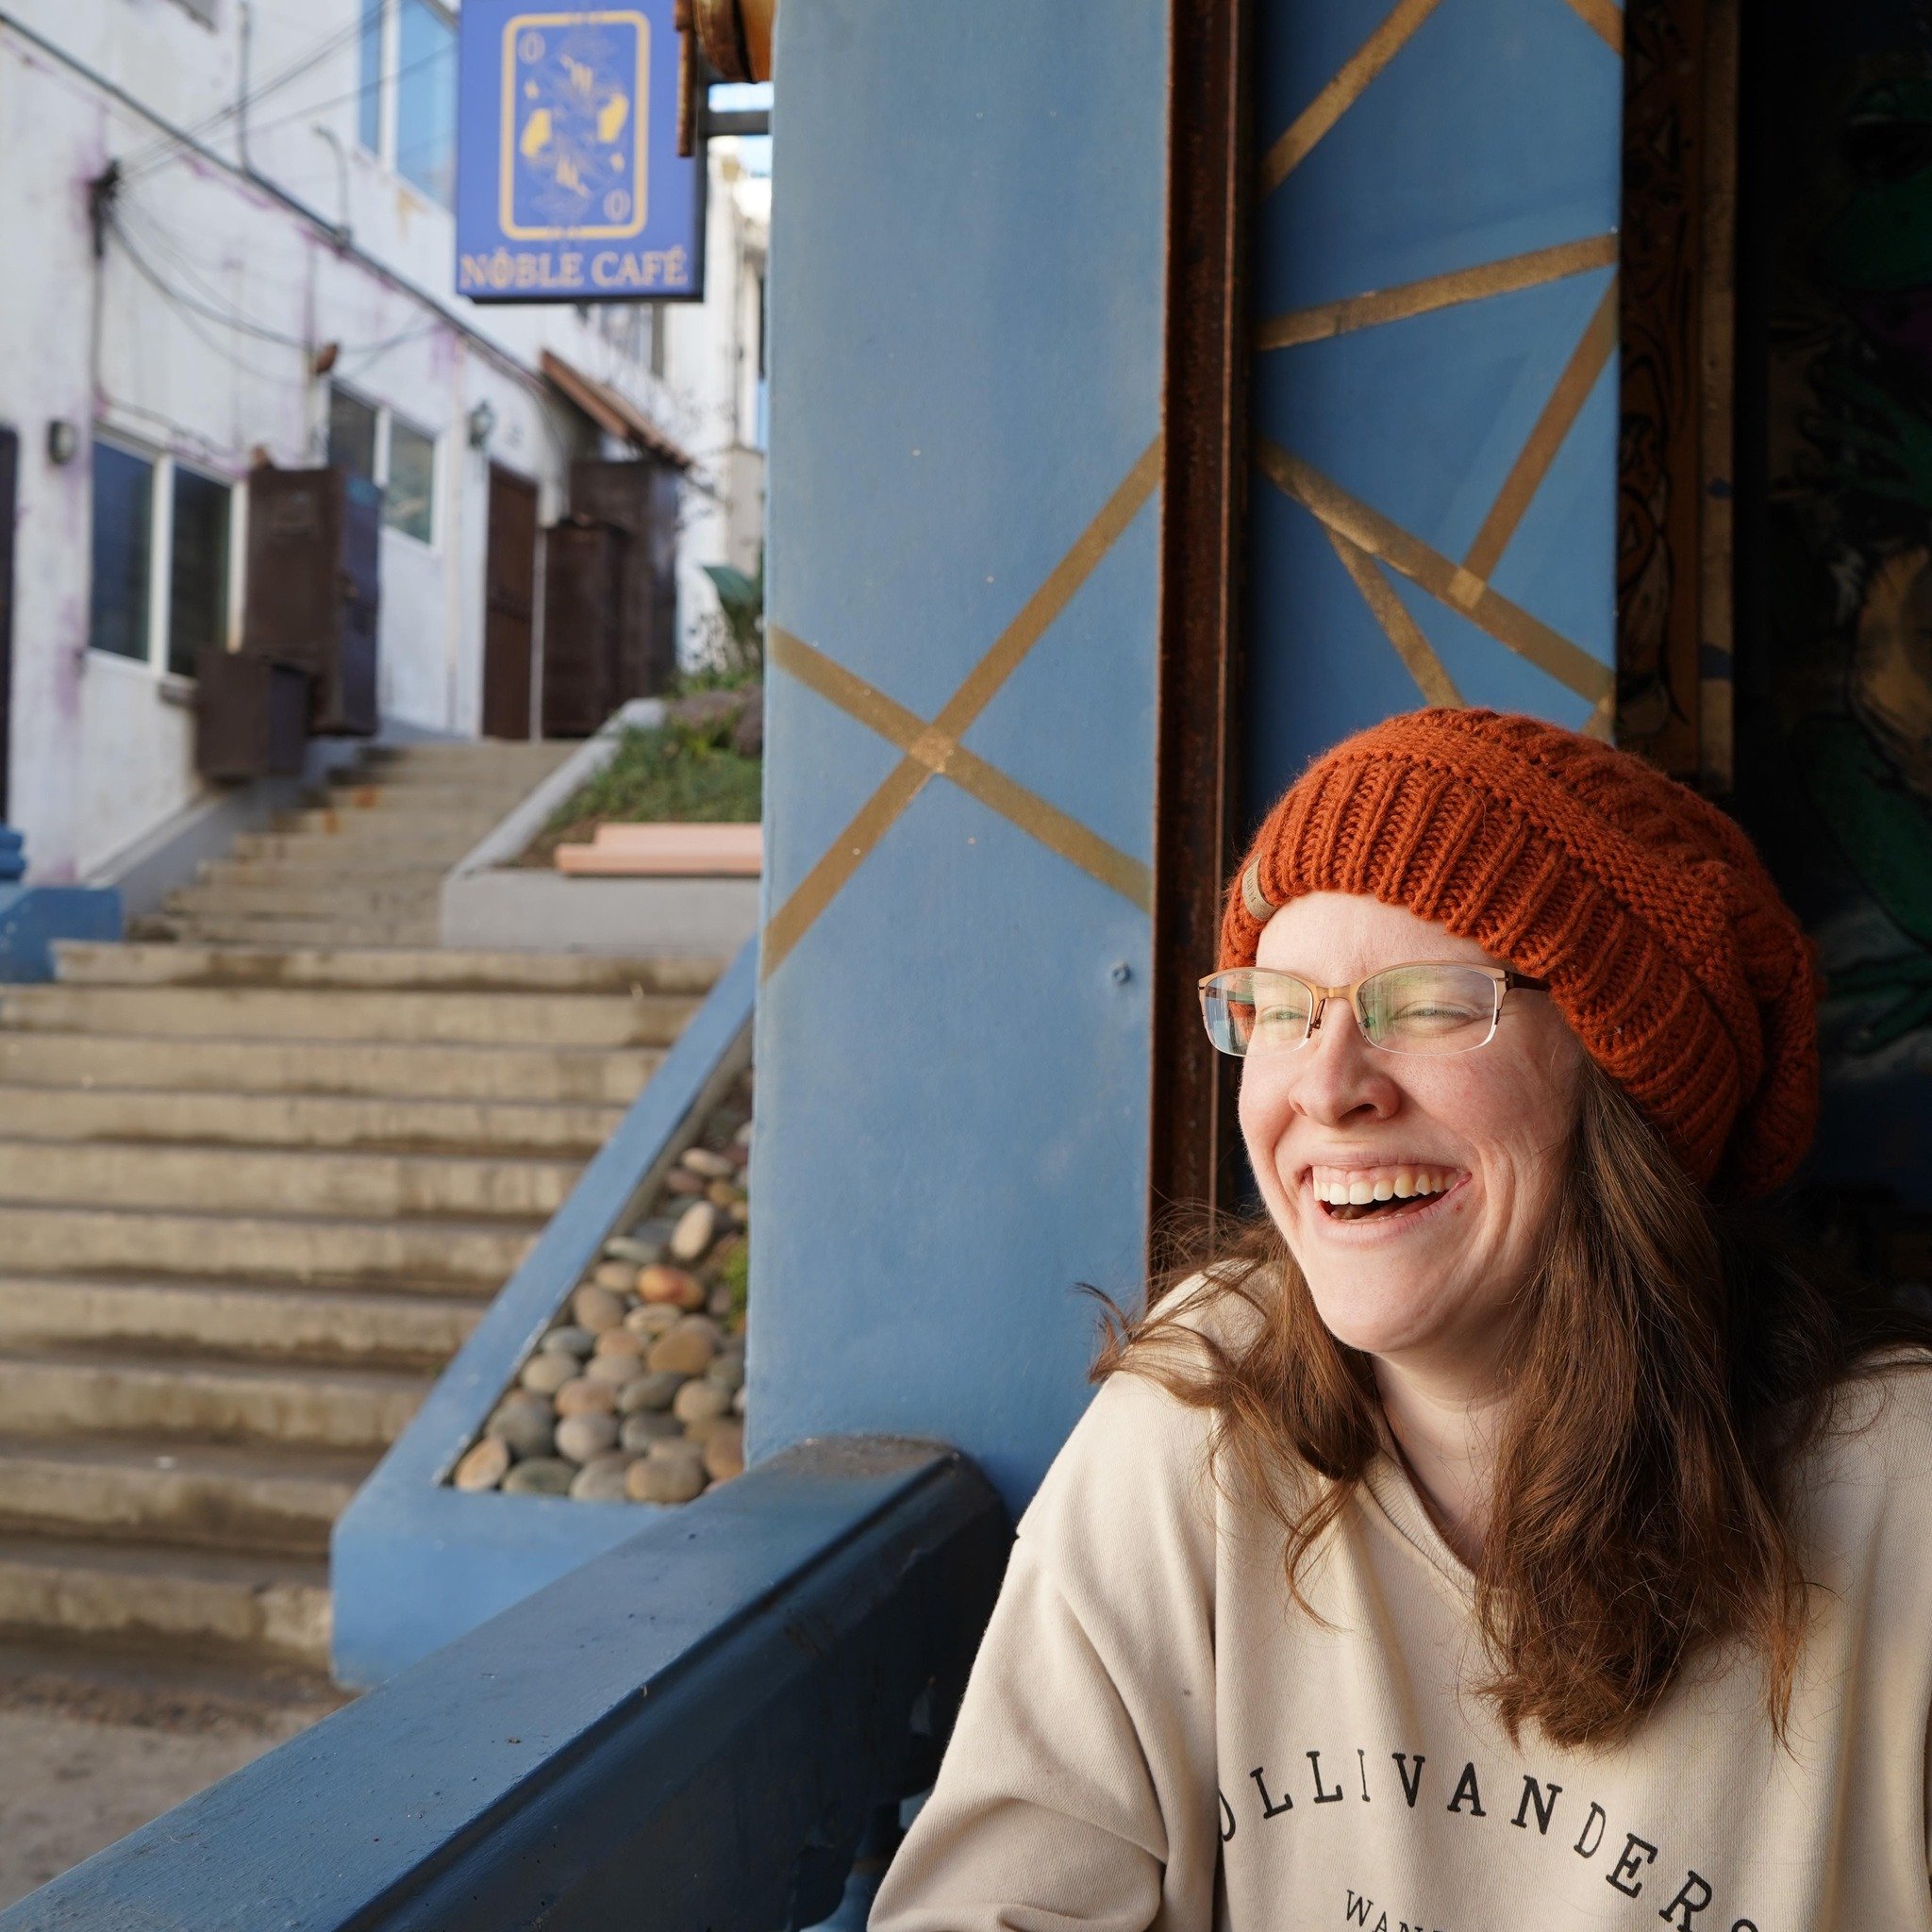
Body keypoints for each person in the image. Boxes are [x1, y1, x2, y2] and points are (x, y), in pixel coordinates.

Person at [871, 708, 1932, 1932]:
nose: (1326, 1087)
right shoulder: (1199, 1425)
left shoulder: (1894, 1487)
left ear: (1624, 1082)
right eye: (1278, 1007)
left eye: (1426, 1003)